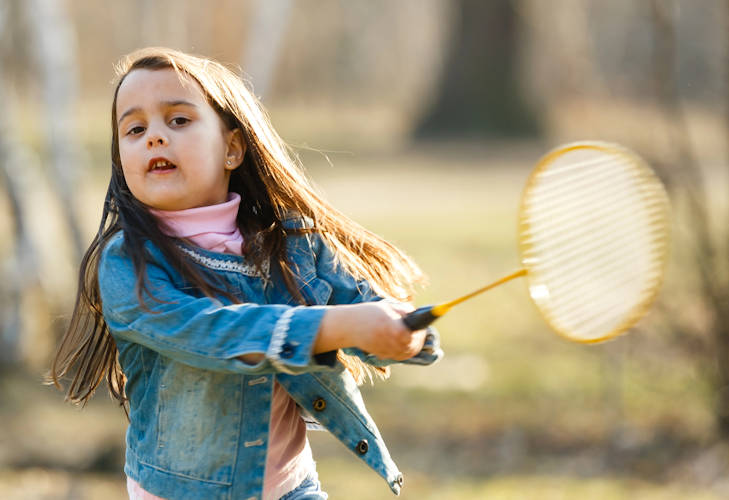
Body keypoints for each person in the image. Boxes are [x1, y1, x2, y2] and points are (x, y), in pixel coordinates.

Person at [49, 47, 442, 500]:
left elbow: (360, 311)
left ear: (232, 148)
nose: (155, 137)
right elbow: (212, 336)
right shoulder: (127, 264)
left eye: (178, 120)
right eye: (135, 129)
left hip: (292, 487)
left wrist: (403, 335)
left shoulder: (291, 239)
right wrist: (337, 326)